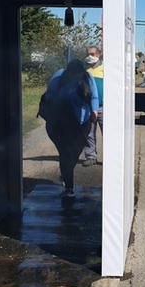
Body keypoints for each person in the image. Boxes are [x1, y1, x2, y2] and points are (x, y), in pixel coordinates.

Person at [44, 59, 99, 197]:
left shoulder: (88, 77)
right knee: (65, 153)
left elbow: (94, 96)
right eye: (74, 74)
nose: (76, 77)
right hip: (60, 124)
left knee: (74, 153)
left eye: (78, 74)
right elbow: (49, 95)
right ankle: (69, 188)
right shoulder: (59, 76)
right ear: (69, 71)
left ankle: (66, 174)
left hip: (82, 123)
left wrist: (95, 111)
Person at [83, 45, 104, 166]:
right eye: (88, 54)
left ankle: (110, 157)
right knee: (89, 133)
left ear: (99, 54)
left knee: (107, 133)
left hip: (105, 106)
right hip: (89, 107)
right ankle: (91, 156)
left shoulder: (106, 68)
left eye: (93, 54)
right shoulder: (85, 71)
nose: (90, 57)